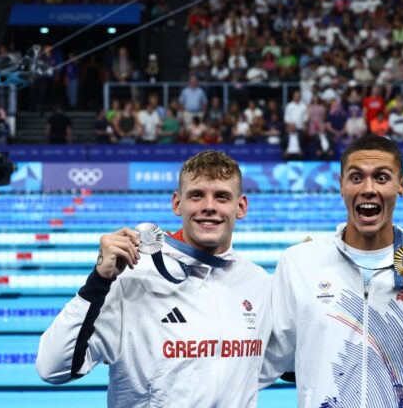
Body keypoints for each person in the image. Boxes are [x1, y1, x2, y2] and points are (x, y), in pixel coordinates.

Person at [36, 150, 272, 407]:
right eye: (196, 195)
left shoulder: (257, 282)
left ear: (241, 207)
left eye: (222, 197)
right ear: (176, 203)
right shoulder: (133, 276)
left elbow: (283, 363)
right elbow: (53, 367)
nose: (209, 206)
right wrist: (99, 281)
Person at [261, 135, 403, 406]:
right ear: (341, 186)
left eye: (381, 177)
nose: (368, 188)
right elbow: (265, 363)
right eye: (356, 178)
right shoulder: (299, 264)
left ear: (401, 185)